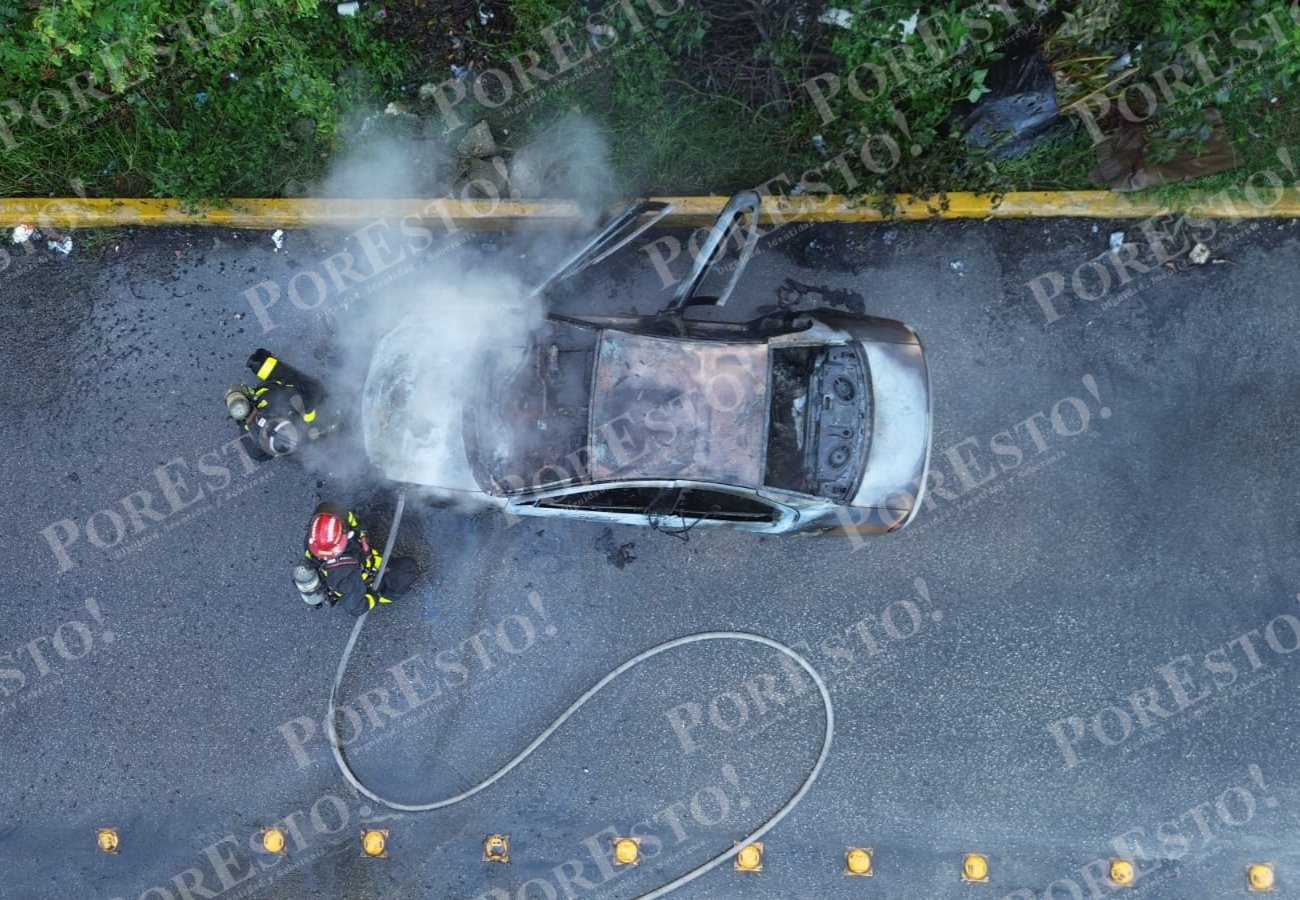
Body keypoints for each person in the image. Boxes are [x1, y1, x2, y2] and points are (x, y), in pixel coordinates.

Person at [301, 502, 419, 616]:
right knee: (408, 569)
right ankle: (384, 592)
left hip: (359, 557)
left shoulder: (317, 534)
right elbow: (356, 607)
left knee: (372, 512)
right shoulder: (344, 575)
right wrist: (374, 597)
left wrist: (361, 531)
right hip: (362, 577)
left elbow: (350, 517)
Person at [225, 349, 335, 459]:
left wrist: (310, 423)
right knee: (315, 391)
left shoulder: (282, 397)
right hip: (265, 397)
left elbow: (308, 406)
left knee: (311, 390)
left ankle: (261, 365)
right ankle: (261, 365)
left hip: (267, 393)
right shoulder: (255, 449)